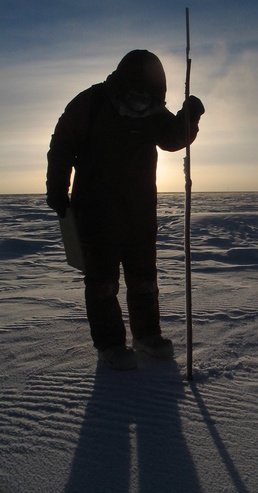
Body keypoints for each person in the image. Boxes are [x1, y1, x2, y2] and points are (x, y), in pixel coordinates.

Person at [46, 50, 205, 370]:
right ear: (122, 87)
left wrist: (188, 119)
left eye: (149, 102)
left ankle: (147, 336)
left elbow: (172, 138)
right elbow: (62, 146)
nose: (141, 108)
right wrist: (57, 191)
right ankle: (110, 346)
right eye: (136, 100)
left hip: (140, 212)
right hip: (95, 214)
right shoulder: (90, 104)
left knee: (144, 279)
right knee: (102, 284)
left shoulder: (151, 111)